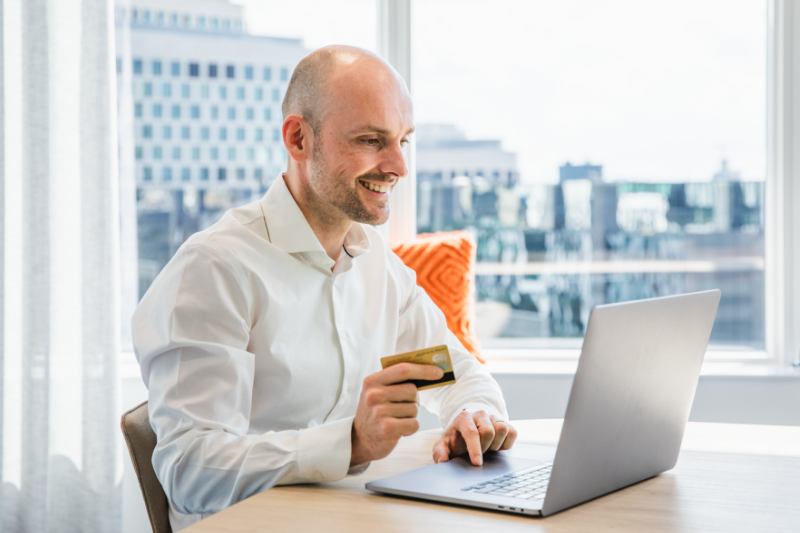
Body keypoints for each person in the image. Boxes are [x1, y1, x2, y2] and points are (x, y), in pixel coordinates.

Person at [133, 45, 516, 531]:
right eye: (372, 139)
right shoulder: (214, 269)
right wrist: (351, 443)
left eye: (404, 140)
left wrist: (473, 416)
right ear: (298, 139)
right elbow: (189, 470)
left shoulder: (377, 263)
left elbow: (453, 371)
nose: (398, 165)